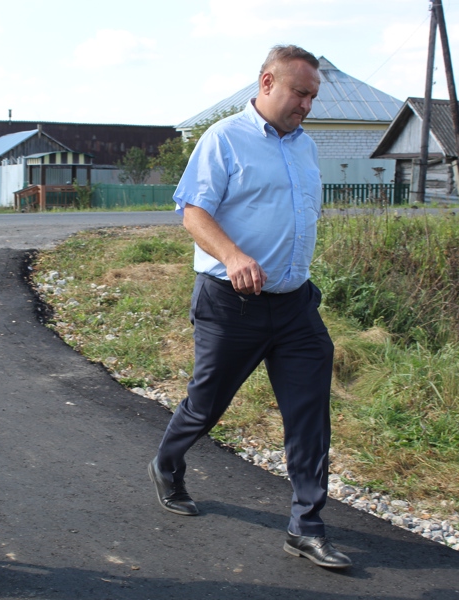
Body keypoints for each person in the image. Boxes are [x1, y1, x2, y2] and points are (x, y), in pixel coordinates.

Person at [147, 45, 351, 569]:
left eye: (312, 96)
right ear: (266, 83)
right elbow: (193, 213)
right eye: (298, 93)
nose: (306, 104)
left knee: (309, 416)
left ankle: (306, 526)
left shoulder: (304, 147)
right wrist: (234, 253)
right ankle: (167, 464)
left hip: (296, 307)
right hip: (230, 303)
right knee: (207, 402)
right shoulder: (224, 139)